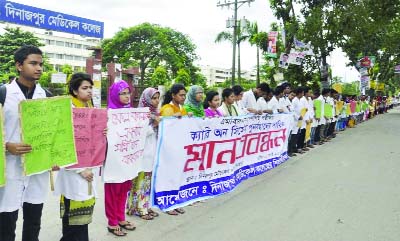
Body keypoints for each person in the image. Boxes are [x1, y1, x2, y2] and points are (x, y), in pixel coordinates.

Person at [0, 45, 52, 241]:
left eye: (41, 64)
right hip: (9, 168)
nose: (39, 68)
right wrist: (7, 145)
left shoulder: (47, 96)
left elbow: (54, 133)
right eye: (33, 63)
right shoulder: (3, 94)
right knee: (6, 221)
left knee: (34, 220)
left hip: (37, 168)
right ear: (19, 65)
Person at [54, 73, 98, 241]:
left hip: (88, 168)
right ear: (74, 90)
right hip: (74, 171)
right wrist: (80, 170)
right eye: (84, 88)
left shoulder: (89, 107)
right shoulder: (68, 109)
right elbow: (63, 142)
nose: (89, 91)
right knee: (73, 219)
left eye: (90, 88)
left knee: (83, 219)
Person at [104, 80, 136, 236]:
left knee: (124, 188)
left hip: (127, 157)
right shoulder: (109, 113)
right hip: (113, 158)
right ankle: (112, 222)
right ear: (114, 95)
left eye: (127, 92)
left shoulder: (131, 111)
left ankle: (121, 217)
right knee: (113, 190)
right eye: (122, 93)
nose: (126, 96)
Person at [127, 87, 161, 220]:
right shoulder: (141, 113)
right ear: (146, 98)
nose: (157, 101)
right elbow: (140, 133)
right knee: (139, 181)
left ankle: (145, 205)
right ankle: (138, 208)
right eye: (154, 98)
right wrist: (154, 126)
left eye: (158, 98)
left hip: (151, 152)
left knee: (147, 181)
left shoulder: (155, 113)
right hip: (142, 153)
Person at [160, 83, 187, 215]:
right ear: (173, 95)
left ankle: (175, 202)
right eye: (181, 95)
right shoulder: (167, 108)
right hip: (169, 148)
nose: (183, 97)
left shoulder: (182, 108)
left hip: (179, 147)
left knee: (177, 176)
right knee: (168, 177)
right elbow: (165, 125)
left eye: (184, 95)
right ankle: (167, 204)